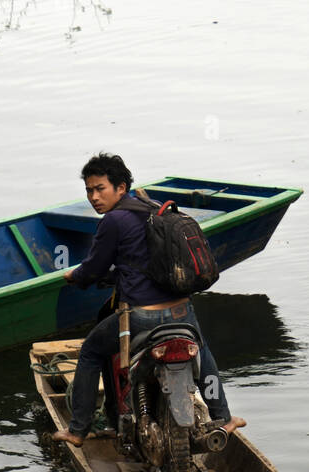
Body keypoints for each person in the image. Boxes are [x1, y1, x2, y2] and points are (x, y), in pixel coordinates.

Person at [51, 152, 245, 446]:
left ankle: (77, 430)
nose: (93, 197)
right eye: (89, 190)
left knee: (91, 350)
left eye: (100, 188)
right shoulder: (154, 208)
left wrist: (75, 277)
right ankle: (224, 417)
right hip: (182, 309)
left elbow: (95, 267)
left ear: (120, 187)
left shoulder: (113, 221)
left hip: (142, 316)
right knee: (201, 349)